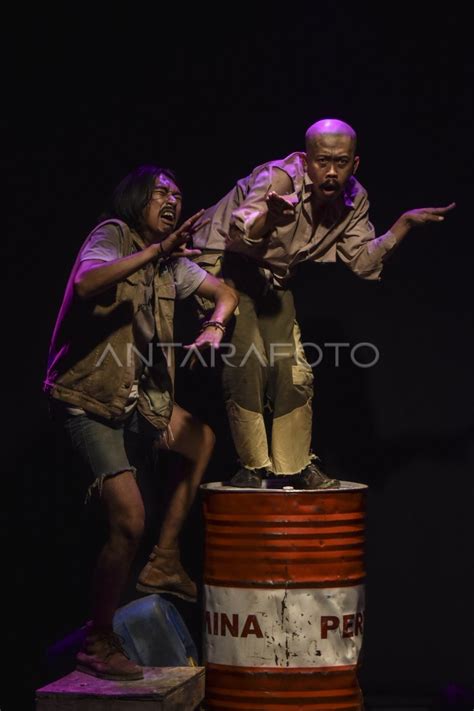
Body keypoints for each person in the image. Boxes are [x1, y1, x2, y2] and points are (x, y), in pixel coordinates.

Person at [44, 164, 238, 680]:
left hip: (139, 401)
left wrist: (216, 325)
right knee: (128, 519)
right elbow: (87, 282)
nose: (173, 198)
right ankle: (98, 641)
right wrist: (156, 250)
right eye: (161, 191)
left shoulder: (171, 263)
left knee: (201, 439)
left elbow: (226, 293)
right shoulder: (114, 235)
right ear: (136, 199)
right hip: (88, 398)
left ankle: (166, 560)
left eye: (178, 191)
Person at [192, 118, 455, 489]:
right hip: (222, 264)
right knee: (248, 359)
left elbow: (363, 264)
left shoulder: (354, 198)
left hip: (271, 276)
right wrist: (271, 217)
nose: (331, 172)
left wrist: (402, 226)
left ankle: (293, 465)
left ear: (355, 163)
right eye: (322, 161)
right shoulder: (280, 177)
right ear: (306, 157)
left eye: (341, 162)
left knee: (294, 369)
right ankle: (252, 466)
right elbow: (240, 230)